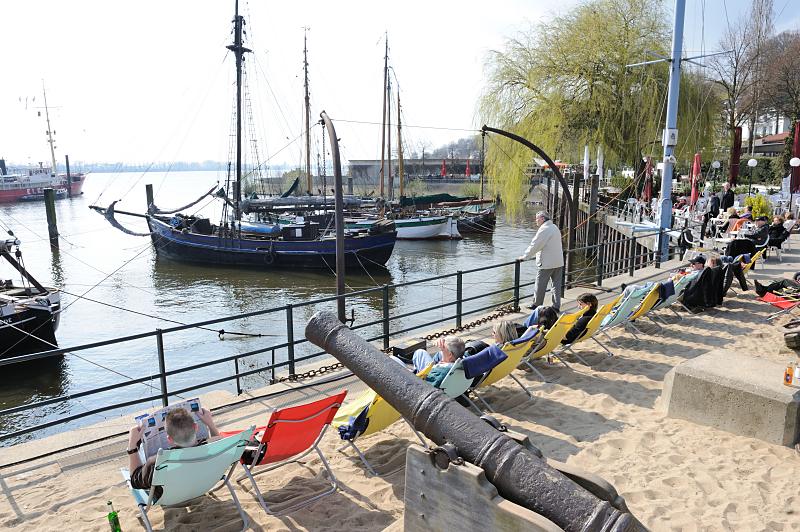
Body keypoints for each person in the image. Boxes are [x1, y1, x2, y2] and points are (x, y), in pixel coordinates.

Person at [127, 407, 220, 496]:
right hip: (201, 487)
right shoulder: (214, 447)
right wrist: (210, 424)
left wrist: (132, 446)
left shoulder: (156, 462)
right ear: (196, 427)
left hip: (171, 498)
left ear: (169, 439)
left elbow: (135, 481)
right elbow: (219, 440)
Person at [518, 211, 564, 311]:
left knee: (540, 284)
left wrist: (525, 257)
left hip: (547, 263)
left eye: (537, 218)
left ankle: (537, 304)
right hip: (558, 261)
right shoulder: (554, 227)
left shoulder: (544, 229)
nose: (536, 221)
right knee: (556, 285)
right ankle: (556, 306)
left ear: (542, 219)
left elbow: (535, 245)